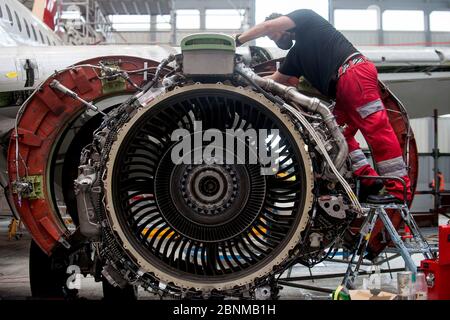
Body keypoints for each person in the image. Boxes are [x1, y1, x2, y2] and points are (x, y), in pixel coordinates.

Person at [235, 9, 411, 203]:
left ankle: (398, 190)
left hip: (354, 73)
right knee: (334, 135)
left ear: (281, 25)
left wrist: (237, 40)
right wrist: (242, 81)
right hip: (342, 89)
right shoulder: (295, 56)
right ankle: (368, 180)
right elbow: (274, 81)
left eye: (272, 35)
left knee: (377, 129)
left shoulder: (307, 17)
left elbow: (268, 26)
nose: (272, 39)